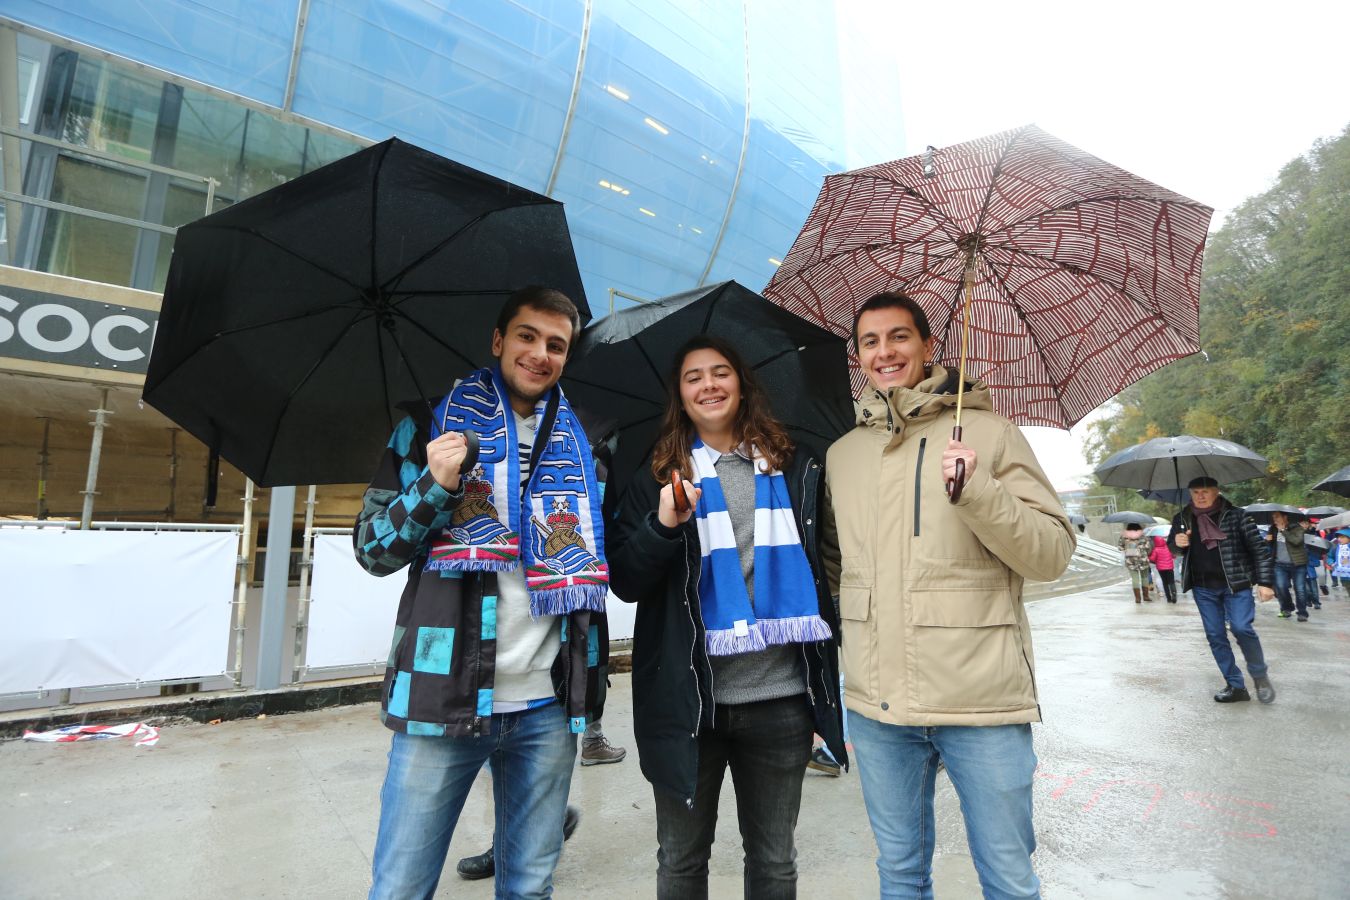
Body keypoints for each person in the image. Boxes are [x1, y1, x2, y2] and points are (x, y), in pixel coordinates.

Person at [354, 286, 609, 899]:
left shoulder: (588, 445)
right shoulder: (428, 429)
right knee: (401, 887)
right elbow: (372, 550)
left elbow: (610, 561)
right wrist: (436, 485)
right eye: (527, 336)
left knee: (528, 888)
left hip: (548, 706)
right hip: (443, 697)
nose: (540, 354)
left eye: (556, 344)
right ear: (499, 342)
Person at [821, 292, 1075, 900]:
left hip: (980, 701)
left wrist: (981, 491)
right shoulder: (841, 454)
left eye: (899, 337)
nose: (886, 352)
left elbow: (1051, 554)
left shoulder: (989, 433)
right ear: (858, 356)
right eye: (871, 341)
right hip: (878, 709)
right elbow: (835, 568)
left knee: (1009, 881)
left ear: (929, 347)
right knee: (901, 876)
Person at [605, 334, 847, 899]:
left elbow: (830, 565)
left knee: (774, 861)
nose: (709, 385)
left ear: (742, 385)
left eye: (720, 372)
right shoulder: (655, 477)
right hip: (690, 706)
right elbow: (626, 581)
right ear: (680, 396)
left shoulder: (793, 468)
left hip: (782, 701)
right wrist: (663, 525)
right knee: (682, 861)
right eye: (694, 377)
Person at [1167, 477, 1276, 704]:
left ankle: (1260, 676)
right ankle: (1235, 686)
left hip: (1235, 584)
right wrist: (1178, 542)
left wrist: (1266, 582)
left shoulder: (1237, 516)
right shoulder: (1182, 518)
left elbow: (1259, 551)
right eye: (1196, 492)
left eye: (1205, 491)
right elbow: (1173, 548)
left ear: (1217, 491)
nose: (1201, 496)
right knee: (1215, 635)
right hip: (1203, 588)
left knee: (1241, 627)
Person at [1266, 510, 1313, 621]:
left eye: (1277, 517)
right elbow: (1270, 546)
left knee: (1300, 589)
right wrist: (1267, 540)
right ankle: (1287, 608)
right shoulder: (1273, 529)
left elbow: (1296, 541)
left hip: (1298, 564)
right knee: (1281, 587)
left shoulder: (1297, 528)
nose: (1275, 519)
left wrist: (1283, 530)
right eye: (1273, 517)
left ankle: (1302, 613)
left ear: (1285, 517)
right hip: (1279, 564)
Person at [1119, 523, 1153, 603]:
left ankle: (1137, 598)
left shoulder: (1124, 537)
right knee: (1145, 577)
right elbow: (1148, 549)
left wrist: (1128, 548)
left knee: (1135, 579)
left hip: (1130, 560)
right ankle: (1146, 596)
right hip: (1143, 560)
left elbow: (1120, 547)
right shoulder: (1143, 537)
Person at [1149, 533, 1177, 603]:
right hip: (1170, 568)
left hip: (1161, 569)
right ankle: (1174, 594)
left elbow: (1152, 559)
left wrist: (1148, 557)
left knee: (1165, 583)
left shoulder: (1155, 550)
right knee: (1171, 582)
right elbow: (1174, 556)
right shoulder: (1168, 548)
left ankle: (1168, 598)